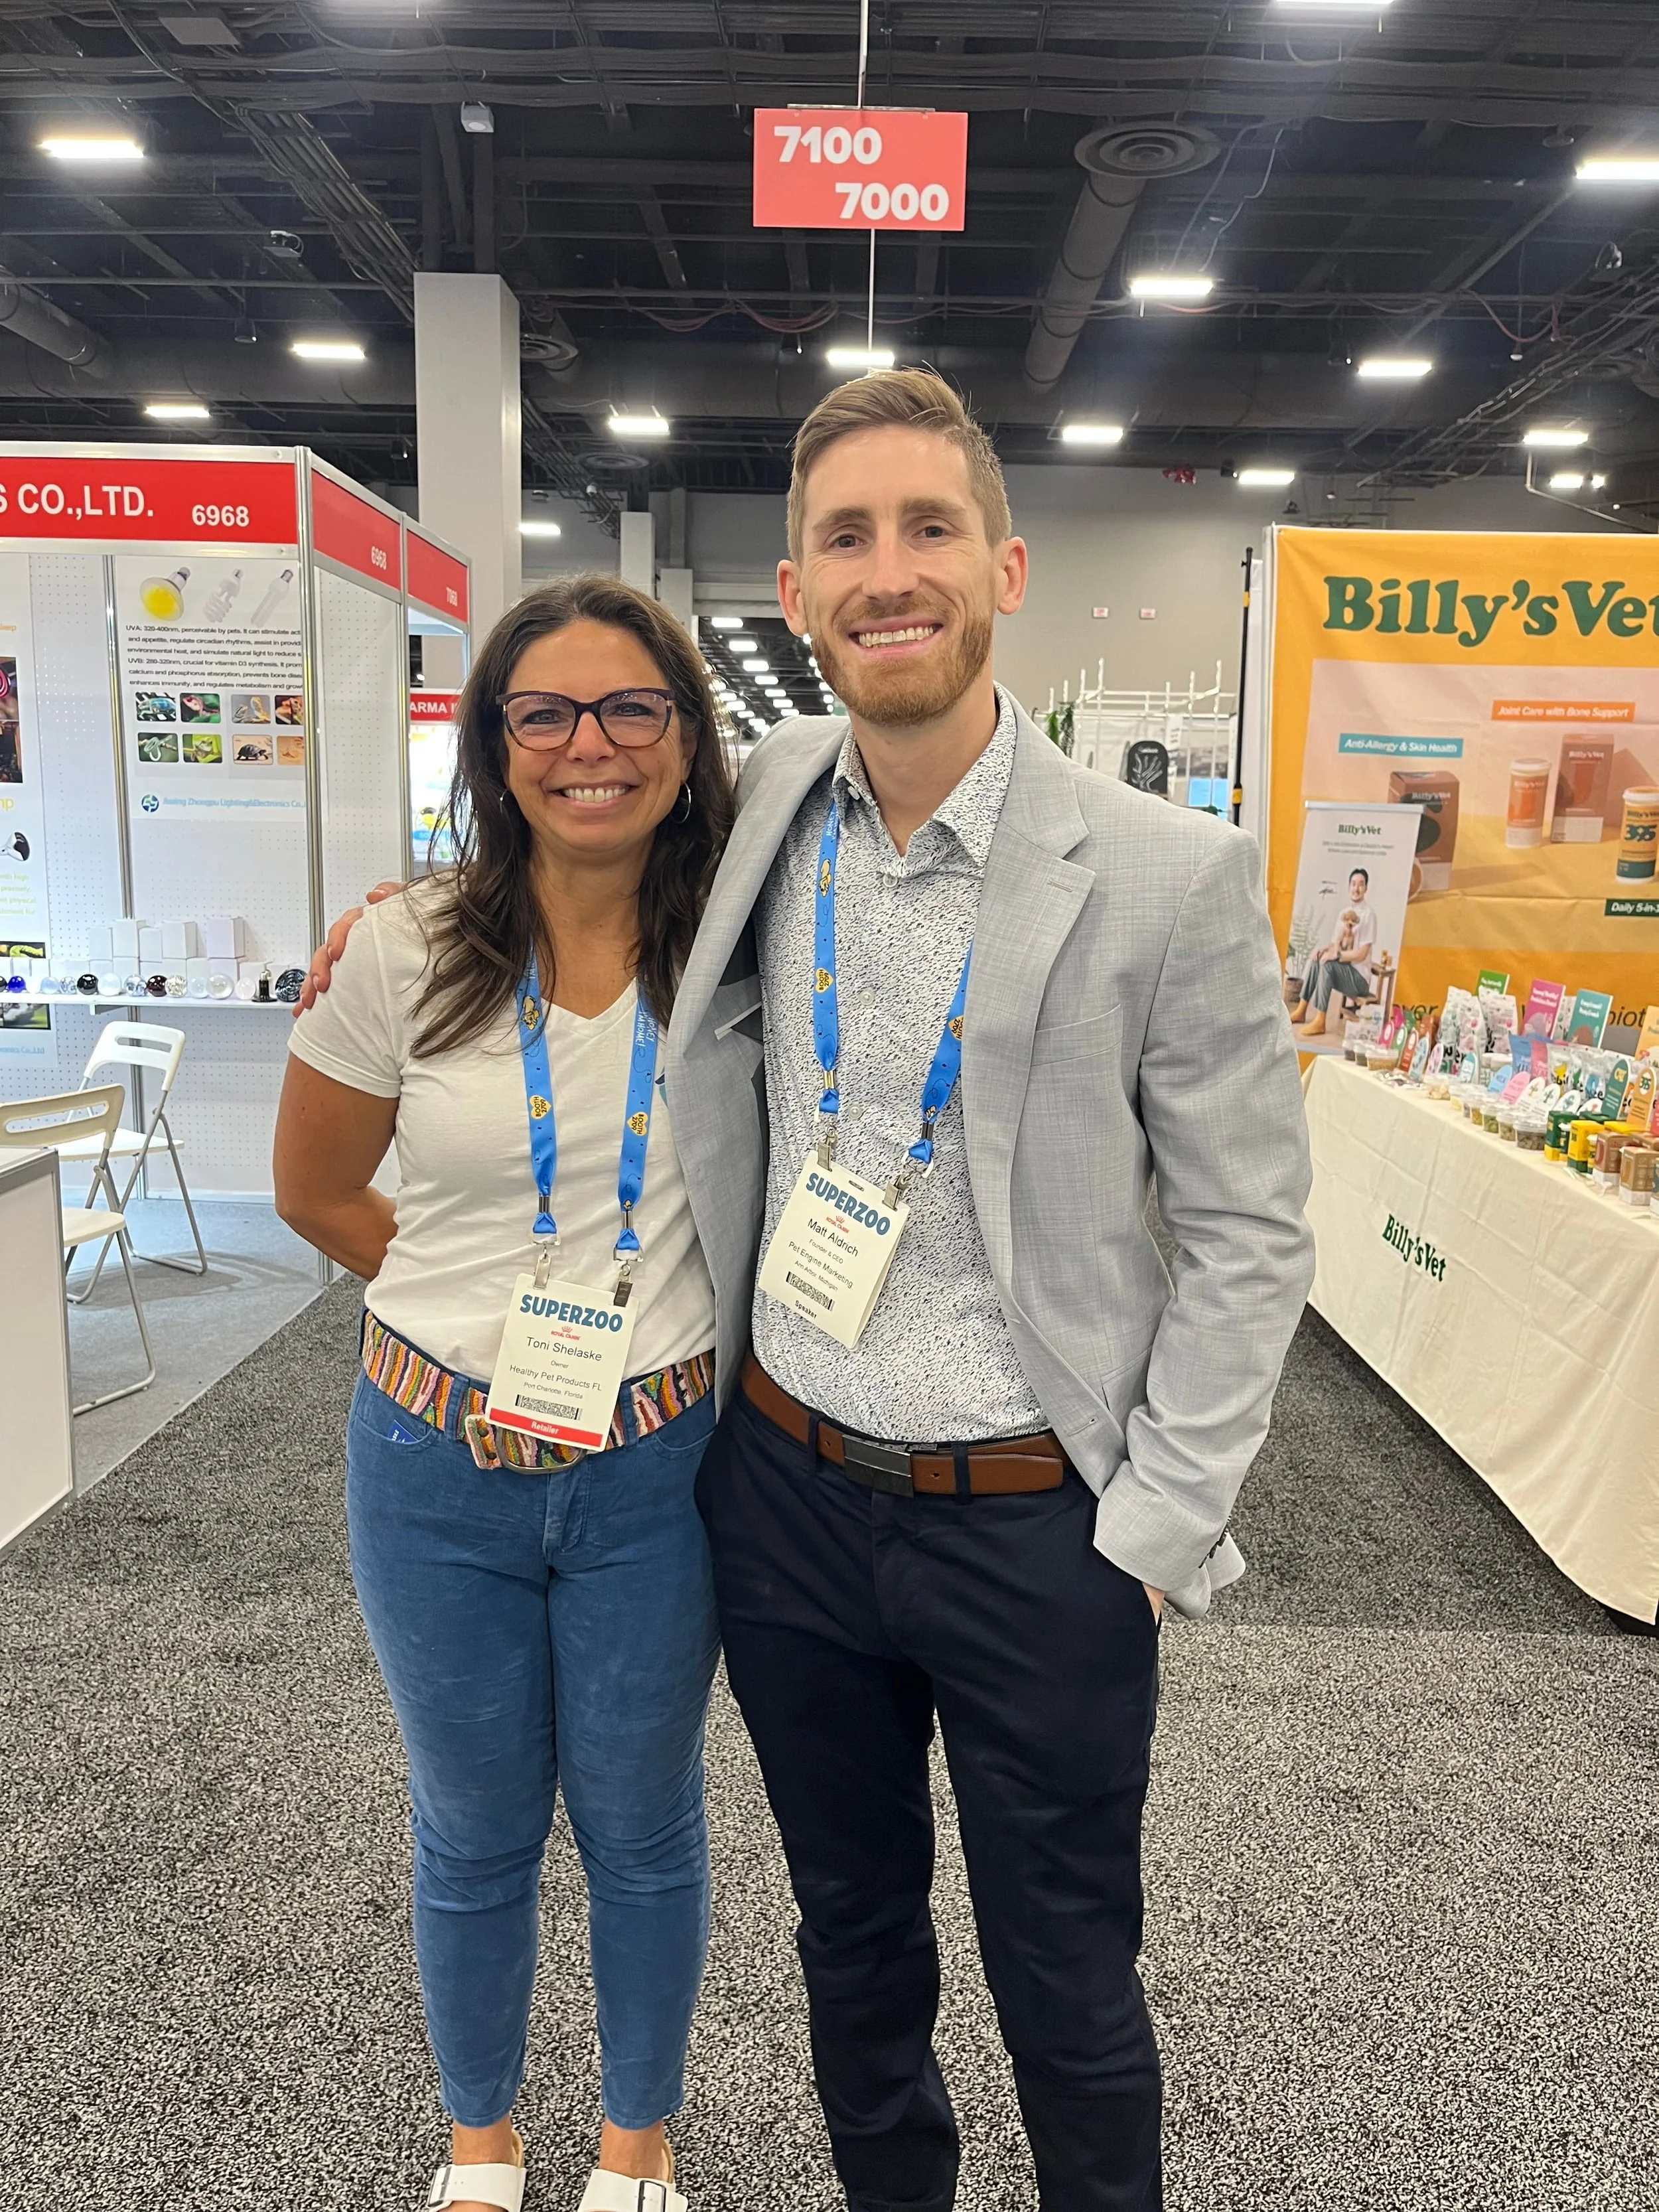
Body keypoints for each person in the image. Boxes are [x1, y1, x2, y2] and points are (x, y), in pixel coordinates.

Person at [309, 368, 1315, 2211]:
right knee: (852, 1946)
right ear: (797, 588)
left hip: (1039, 1519)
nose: (889, 569)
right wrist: (410, 915)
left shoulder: (1168, 874)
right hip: (776, 1499)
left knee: (1065, 1980)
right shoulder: (756, 809)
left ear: (1000, 562)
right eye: (845, 536)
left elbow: (1253, 1231)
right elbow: (572, 825)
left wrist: (1160, 1523)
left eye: (927, 525)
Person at [275, 575, 737, 2212]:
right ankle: (480, 2140)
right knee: (470, 1826)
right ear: (492, 744)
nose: (588, 745)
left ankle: (635, 2146)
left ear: (687, 736)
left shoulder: (747, 942)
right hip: (435, 1458)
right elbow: (318, 1191)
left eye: (631, 708)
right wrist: (464, 1309)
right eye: (542, 711)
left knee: (641, 1819)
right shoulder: (404, 947)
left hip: (656, 1466)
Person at [1290, 865, 1378, 1037]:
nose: (1356, 888)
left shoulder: (1369, 915)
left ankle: (1320, 1020)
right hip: (1345, 971)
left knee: (1329, 965)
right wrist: (1322, 951)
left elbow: (1361, 955)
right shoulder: (1344, 913)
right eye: (1353, 884)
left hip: (1359, 978)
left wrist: (1336, 955)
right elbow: (1334, 943)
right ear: (1348, 887)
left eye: (1361, 884)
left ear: (1366, 888)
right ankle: (1302, 1009)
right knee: (1318, 959)